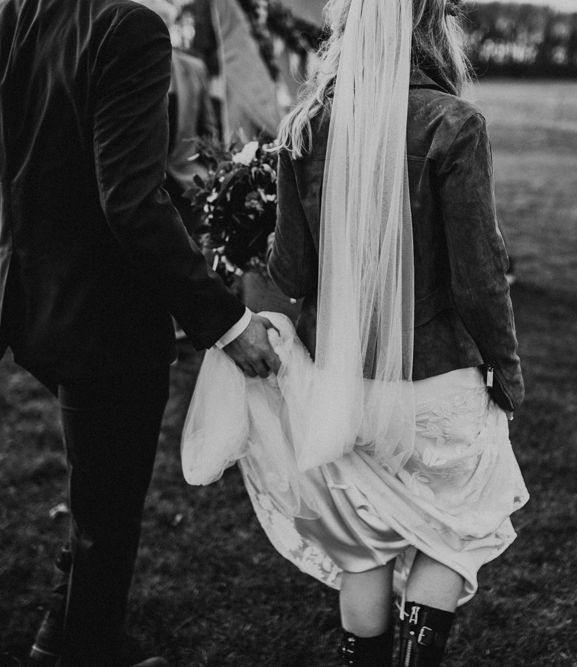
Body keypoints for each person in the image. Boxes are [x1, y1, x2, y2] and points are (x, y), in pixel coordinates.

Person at [182, 0, 528, 665]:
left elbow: (289, 274)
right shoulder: (455, 124)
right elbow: (478, 280)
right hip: (439, 385)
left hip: (341, 387)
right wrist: (506, 373)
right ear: (433, 29)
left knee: (363, 549)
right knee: (451, 537)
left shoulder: (306, 126)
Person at [0, 1, 280, 665]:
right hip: (105, 318)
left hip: (31, 300)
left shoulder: (17, 15)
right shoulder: (129, 27)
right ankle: (89, 650)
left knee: (95, 492)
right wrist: (226, 320)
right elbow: (129, 200)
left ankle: (54, 637)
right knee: (110, 520)